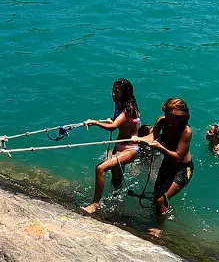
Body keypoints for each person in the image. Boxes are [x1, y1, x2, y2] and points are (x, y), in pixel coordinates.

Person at [80, 78, 140, 215]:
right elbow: (117, 124)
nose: (113, 94)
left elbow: (113, 127)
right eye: (113, 91)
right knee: (116, 178)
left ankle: (95, 204)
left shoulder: (129, 109)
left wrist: (95, 122)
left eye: (117, 92)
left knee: (100, 168)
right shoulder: (118, 104)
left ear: (125, 93)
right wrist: (111, 120)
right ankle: (117, 201)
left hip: (130, 149)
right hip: (119, 145)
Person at [137, 98, 193, 237]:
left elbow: (178, 156)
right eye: (165, 113)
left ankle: (158, 227)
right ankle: (159, 215)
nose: (166, 117)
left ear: (179, 117)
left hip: (183, 169)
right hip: (167, 165)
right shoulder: (162, 121)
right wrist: (139, 139)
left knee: (160, 199)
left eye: (170, 115)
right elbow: (151, 137)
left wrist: (160, 147)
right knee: (156, 198)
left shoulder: (186, 131)